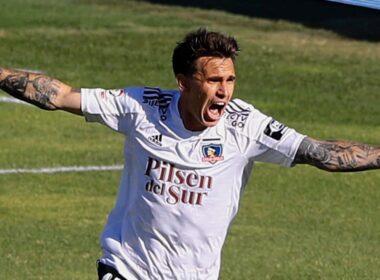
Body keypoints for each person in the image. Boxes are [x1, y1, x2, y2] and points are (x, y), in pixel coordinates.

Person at [1, 28, 379, 280]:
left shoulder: (246, 125)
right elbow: (61, 96)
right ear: (184, 83)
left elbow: (320, 153)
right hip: (127, 268)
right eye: (214, 80)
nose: (224, 91)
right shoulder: (140, 106)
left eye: (230, 80)